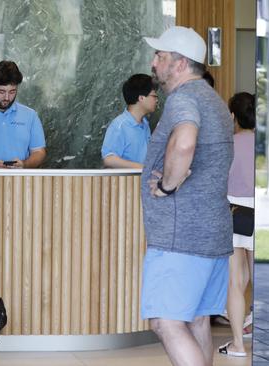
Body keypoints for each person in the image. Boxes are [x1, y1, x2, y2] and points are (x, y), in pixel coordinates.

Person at [141, 26, 234, 366]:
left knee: (166, 323)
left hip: (182, 237)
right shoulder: (216, 101)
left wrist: (166, 185)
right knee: (195, 320)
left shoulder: (184, 98)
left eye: (160, 57)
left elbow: (184, 142)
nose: (153, 63)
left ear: (180, 64)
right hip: (212, 234)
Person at [218, 92, 256, 358]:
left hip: (234, 213)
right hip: (261, 211)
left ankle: (237, 346)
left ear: (233, 116)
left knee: (236, 281)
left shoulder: (228, 144)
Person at [101, 74, 157, 168]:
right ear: (141, 98)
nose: (156, 100)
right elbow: (109, 159)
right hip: (126, 182)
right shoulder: (119, 125)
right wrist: (142, 168)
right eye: (154, 96)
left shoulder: (145, 124)